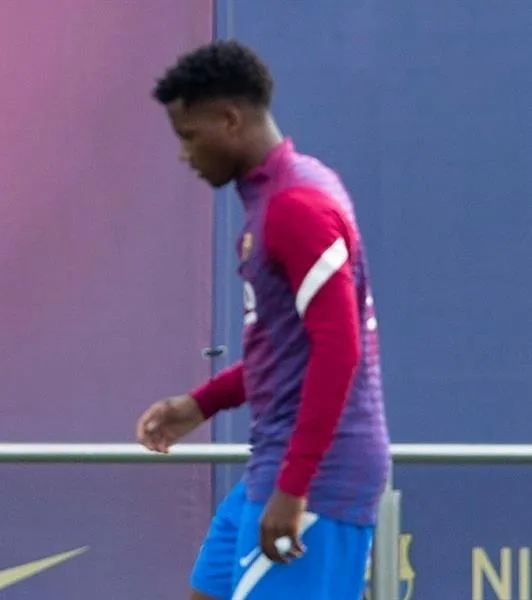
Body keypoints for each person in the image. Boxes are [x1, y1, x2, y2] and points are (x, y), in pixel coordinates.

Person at [136, 40, 390, 600]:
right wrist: (200, 404)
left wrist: (295, 487)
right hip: (273, 466)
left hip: (317, 477)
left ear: (229, 119)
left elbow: (339, 350)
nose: (184, 155)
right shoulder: (273, 198)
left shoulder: (298, 206)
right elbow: (286, 353)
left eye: (188, 136)